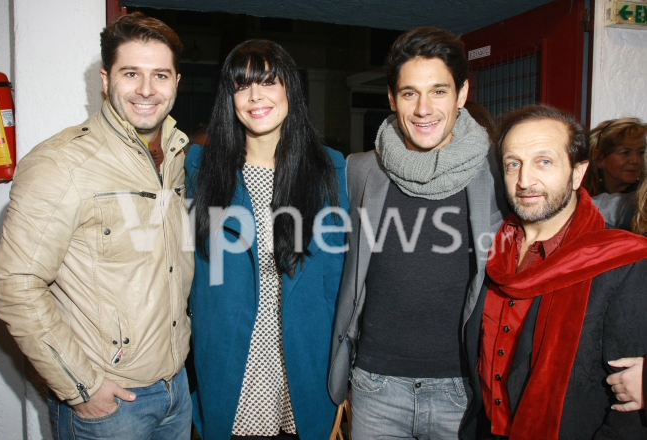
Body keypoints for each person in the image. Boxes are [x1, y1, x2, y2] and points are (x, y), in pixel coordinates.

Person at [0, 12, 194, 440]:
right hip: (110, 406)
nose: (146, 89)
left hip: (176, 391)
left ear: (176, 81)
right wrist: (83, 387)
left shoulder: (176, 156)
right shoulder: (61, 163)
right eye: (131, 73)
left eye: (160, 75)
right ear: (105, 80)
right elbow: (14, 286)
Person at [328, 26, 507, 439]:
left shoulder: (497, 174)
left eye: (439, 91)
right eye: (410, 93)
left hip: (462, 390)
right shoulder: (360, 170)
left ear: (462, 94)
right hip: (375, 386)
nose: (424, 108)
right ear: (392, 98)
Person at [186, 39, 348, 440]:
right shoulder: (199, 169)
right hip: (229, 364)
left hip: (305, 364)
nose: (256, 96)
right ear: (229, 98)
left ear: (290, 88)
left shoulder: (330, 169)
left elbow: (341, 281)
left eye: (269, 82)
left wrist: (342, 378)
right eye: (242, 86)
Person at [477, 104, 647, 439]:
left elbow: (627, 409)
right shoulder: (489, 249)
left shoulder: (624, 263)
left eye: (544, 161)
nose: (525, 181)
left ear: (578, 172)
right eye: (513, 164)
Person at [583, 118, 646, 196]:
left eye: (641, 152)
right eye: (625, 152)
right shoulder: (581, 196)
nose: (635, 160)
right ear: (599, 158)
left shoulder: (643, 199)